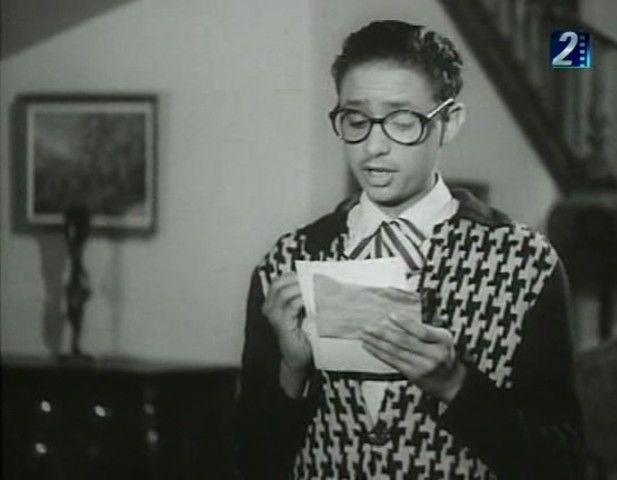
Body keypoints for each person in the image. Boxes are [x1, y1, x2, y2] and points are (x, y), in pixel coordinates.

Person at [235, 20, 584, 479]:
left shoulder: (525, 263)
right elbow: (252, 463)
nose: (373, 147)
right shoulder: (286, 263)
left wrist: (457, 385)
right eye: (356, 121)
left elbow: (562, 465)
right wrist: (292, 371)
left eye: (402, 122)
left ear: (449, 123)